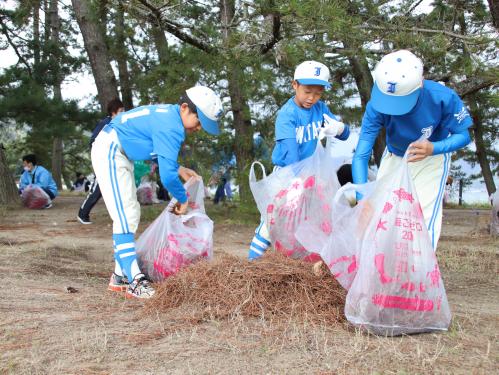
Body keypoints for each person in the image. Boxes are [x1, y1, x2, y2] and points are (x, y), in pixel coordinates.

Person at [91, 86, 223, 298]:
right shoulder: (173, 127)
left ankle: (120, 277)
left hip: (117, 149)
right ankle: (134, 280)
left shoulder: (169, 116)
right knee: (126, 215)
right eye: (199, 122)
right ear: (185, 107)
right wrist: (182, 199)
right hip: (111, 150)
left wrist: (179, 168)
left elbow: (157, 152)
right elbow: (168, 177)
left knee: (129, 214)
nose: (199, 128)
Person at [352, 49, 473, 250]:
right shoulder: (377, 104)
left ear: (420, 83)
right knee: (382, 216)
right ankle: (385, 271)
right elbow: (361, 154)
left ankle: (420, 276)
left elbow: (464, 135)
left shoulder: (442, 97)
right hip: (395, 156)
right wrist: (361, 198)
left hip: (431, 157)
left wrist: (434, 148)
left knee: (421, 221)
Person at [248, 60, 351, 260]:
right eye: (307, 91)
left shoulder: (320, 109)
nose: (312, 98)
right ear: (295, 85)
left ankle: (305, 264)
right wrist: (296, 183)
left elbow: (345, 135)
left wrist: (339, 129)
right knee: (272, 222)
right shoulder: (287, 115)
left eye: (318, 93)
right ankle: (251, 263)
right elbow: (291, 153)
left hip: (312, 174)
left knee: (312, 219)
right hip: (287, 175)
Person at [78, 99, 124, 225]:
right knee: (98, 189)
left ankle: (120, 216)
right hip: (102, 161)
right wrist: (100, 156)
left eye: (123, 110)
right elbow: (93, 141)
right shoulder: (105, 124)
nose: (123, 113)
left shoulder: (121, 125)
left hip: (115, 161)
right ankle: (83, 214)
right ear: (113, 112)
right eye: (121, 111)